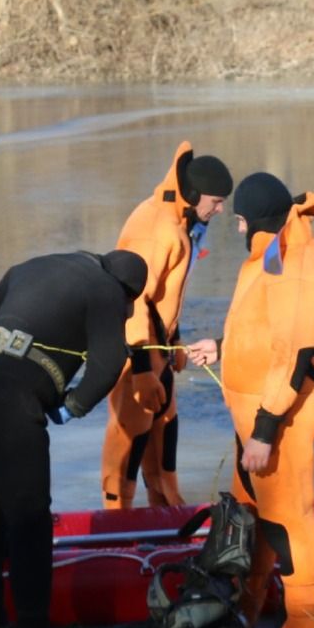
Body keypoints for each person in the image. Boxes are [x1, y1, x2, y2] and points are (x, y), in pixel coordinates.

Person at [0, 248, 148, 628]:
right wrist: (72, 405)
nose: (124, 313)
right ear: (127, 292)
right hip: (9, 402)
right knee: (28, 521)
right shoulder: (108, 290)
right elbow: (110, 361)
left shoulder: (31, 264)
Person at [182, 172, 314, 628]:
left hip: (279, 420)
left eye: (240, 219)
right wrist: (222, 349)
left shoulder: (294, 264)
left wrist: (266, 432)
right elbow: (267, 333)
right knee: (250, 521)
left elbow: (294, 353)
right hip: (254, 418)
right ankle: (244, 612)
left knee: (289, 522)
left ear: (254, 220)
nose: (236, 227)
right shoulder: (274, 252)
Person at [99, 142, 233, 510]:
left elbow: (163, 297)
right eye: (216, 202)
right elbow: (131, 299)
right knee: (127, 445)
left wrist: (174, 342)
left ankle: (166, 516)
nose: (220, 210)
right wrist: (141, 369)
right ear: (193, 194)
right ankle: (115, 523)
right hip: (134, 356)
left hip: (158, 352)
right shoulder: (155, 228)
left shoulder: (182, 223)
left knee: (163, 438)